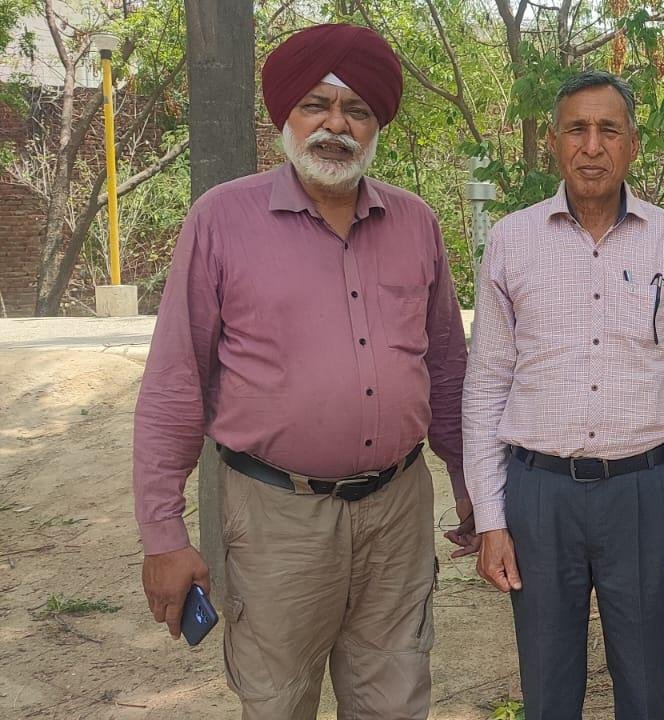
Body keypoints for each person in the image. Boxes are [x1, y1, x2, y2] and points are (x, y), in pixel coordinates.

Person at [133, 23, 476, 719]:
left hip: (398, 512)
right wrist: (164, 536)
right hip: (275, 519)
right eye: (316, 105)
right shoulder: (221, 220)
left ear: (376, 125)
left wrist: (474, 487)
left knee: (396, 701)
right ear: (285, 115)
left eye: (357, 110)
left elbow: (446, 371)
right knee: (278, 703)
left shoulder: (416, 223)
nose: (335, 125)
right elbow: (174, 383)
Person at [462, 70, 664, 720]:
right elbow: (486, 385)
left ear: (632, 144)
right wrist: (492, 519)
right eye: (576, 130)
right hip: (540, 497)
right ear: (554, 142)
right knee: (548, 690)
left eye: (608, 130)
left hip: (646, 494)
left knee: (644, 684)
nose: (591, 146)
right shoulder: (511, 240)